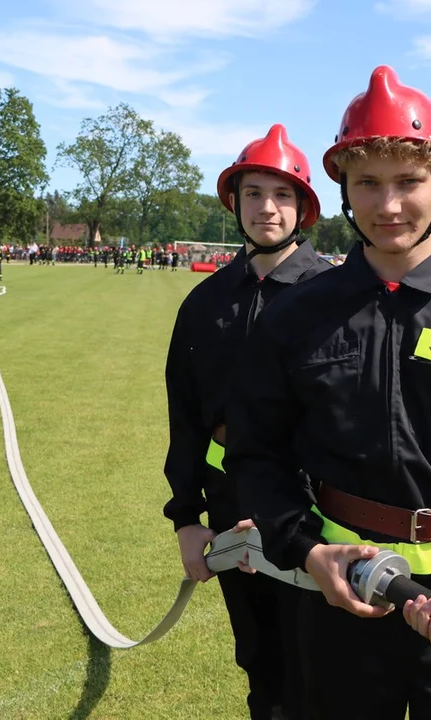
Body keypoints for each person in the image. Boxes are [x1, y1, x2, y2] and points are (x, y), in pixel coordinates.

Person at [225, 66, 431, 720]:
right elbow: (254, 453)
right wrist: (307, 549)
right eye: (367, 183)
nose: (388, 206)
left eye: (408, 181)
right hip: (336, 606)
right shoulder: (296, 318)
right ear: (344, 192)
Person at [162, 124, 331, 720]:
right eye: (253, 192)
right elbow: (184, 418)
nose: (267, 207)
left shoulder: (335, 296)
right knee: (261, 664)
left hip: (317, 514)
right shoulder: (205, 303)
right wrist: (186, 518)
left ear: (304, 207)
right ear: (234, 203)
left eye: (282, 194)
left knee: (323, 669)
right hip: (230, 510)